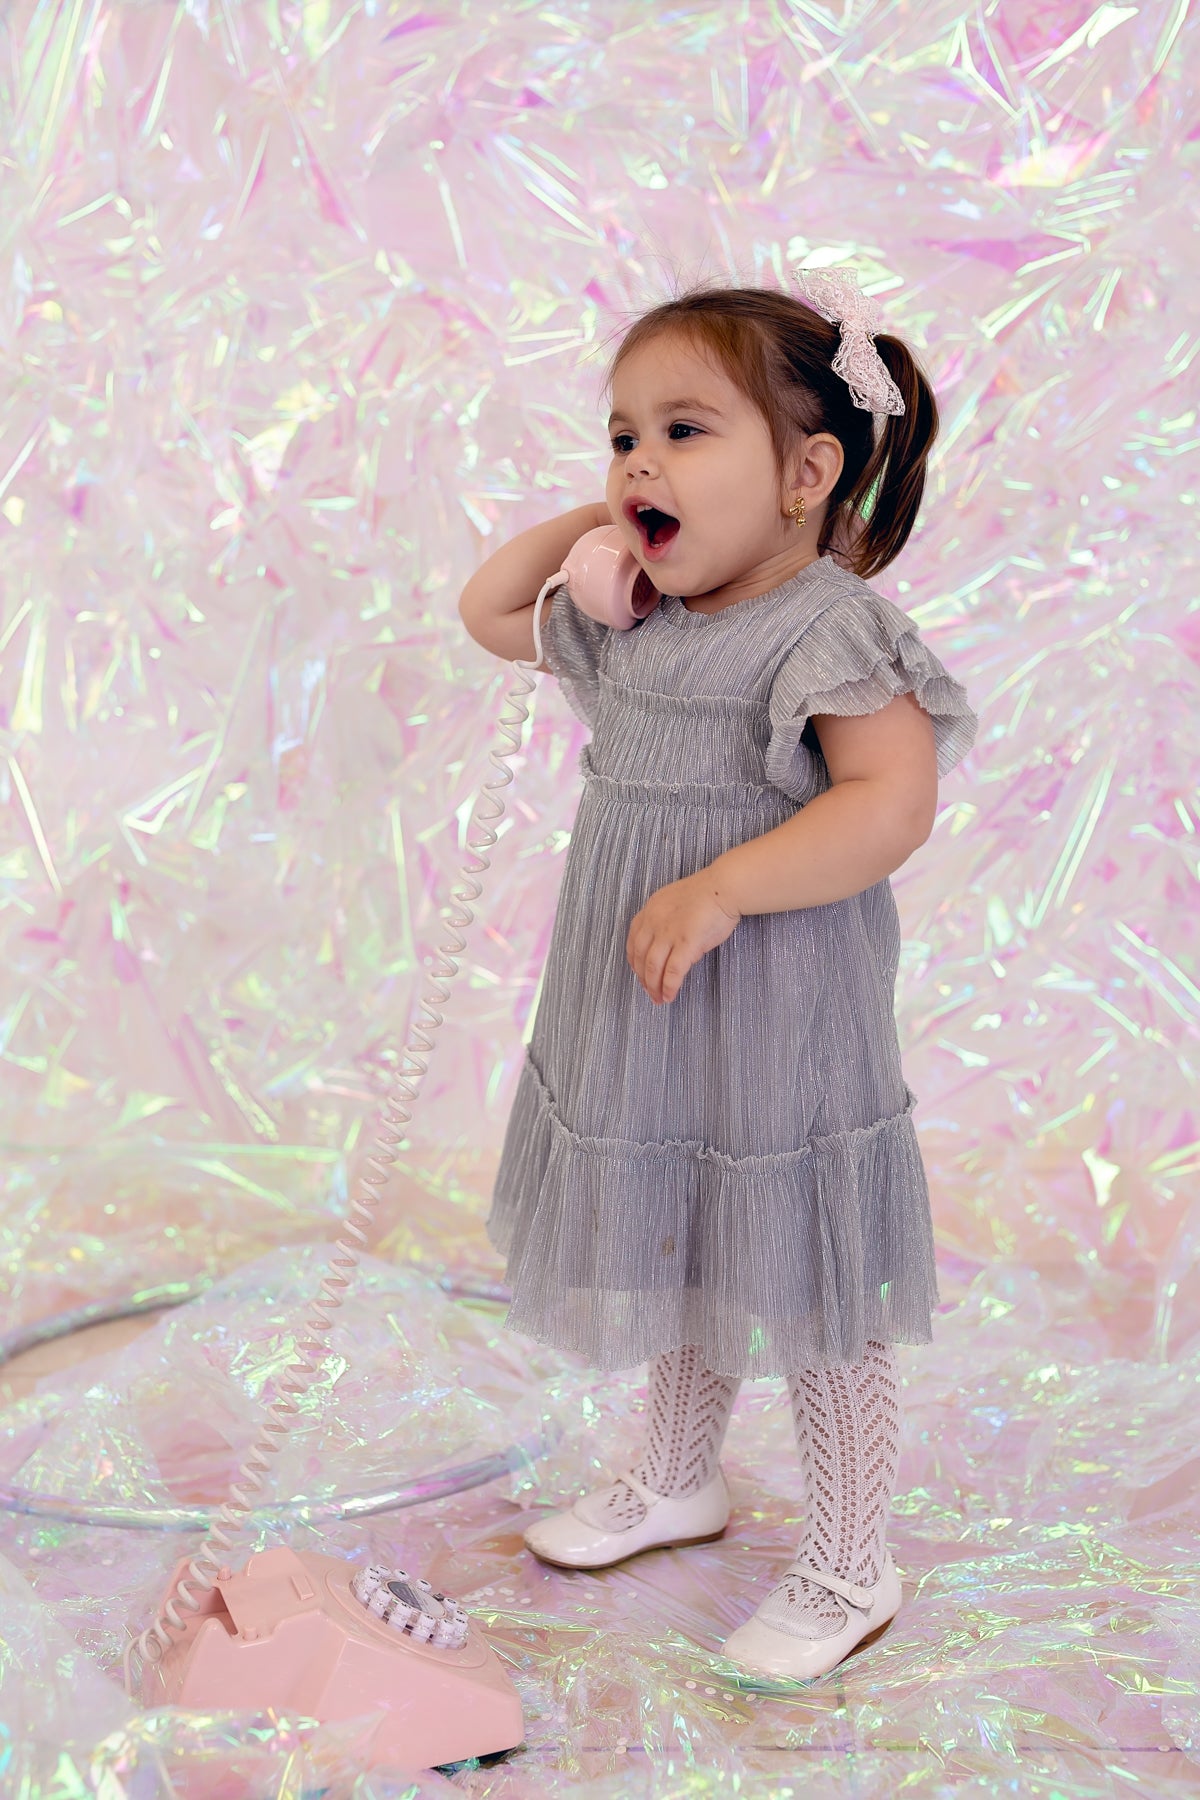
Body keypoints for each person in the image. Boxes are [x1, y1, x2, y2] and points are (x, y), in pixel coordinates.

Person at [457, 270, 978, 1682]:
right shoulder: (637, 620)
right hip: (652, 1010)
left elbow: (890, 802)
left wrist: (727, 884)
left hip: (783, 1012)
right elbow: (488, 610)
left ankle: (853, 1553)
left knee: (805, 1269)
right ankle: (680, 1471)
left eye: (684, 432)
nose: (639, 462)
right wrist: (594, 533)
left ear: (808, 475)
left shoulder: (827, 629)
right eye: (622, 436)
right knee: (682, 1227)